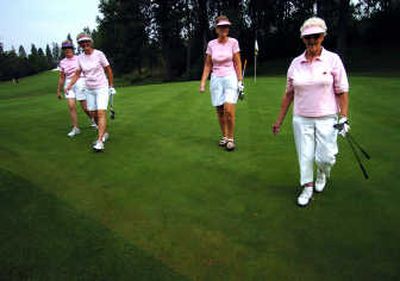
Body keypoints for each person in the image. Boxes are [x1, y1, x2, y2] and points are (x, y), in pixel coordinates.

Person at [272, 17, 350, 207]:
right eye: (308, 37)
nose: (312, 40)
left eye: (316, 36)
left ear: (323, 36)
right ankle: (307, 187)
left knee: (326, 157)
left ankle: (322, 172)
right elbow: (288, 94)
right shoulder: (296, 63)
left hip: (328, 118)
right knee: (305, 155)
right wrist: (279, 121)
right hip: (301, 118)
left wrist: (344, 117)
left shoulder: (333, 60)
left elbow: (342, 90)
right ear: (303, 39)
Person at [200, 15, 244, 151]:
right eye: (221, 27)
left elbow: (237, 62)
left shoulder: (233, 42)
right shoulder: (211, 44)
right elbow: (208, 65)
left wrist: (240, 81)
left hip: (230, 77)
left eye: (226, 26)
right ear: (216, 29)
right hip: (216, 79)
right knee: (219, 110)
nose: (224, 29)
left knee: (228, 110)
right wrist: (202, 83)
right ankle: (224, 136)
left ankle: (231, 139)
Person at [66, 33, 116, 151]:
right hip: (89, 89)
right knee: (93, 114)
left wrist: (111, 85)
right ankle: (104, 133)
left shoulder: (99, 54)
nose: (85, 44)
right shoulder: (80, 58)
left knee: (100, 113)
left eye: (86, 41)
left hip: (101, 87)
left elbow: (108, 69)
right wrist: (69, 85)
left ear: (91, 42)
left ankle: (99, 141)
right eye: (82, 43)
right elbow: (78, 73)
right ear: (79, 45)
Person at [57, 40, 93, 137]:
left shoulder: (79, 58)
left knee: (85, 108)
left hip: (80, 81)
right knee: (71, 106)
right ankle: (75, 128)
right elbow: (61, 77)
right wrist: (58, 90)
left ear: (72, 49)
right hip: (68, 84)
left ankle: (93, 120)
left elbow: (85, 70)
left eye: (68, 48)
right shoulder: (62, 62)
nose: (67, 50)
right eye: (65, 49)